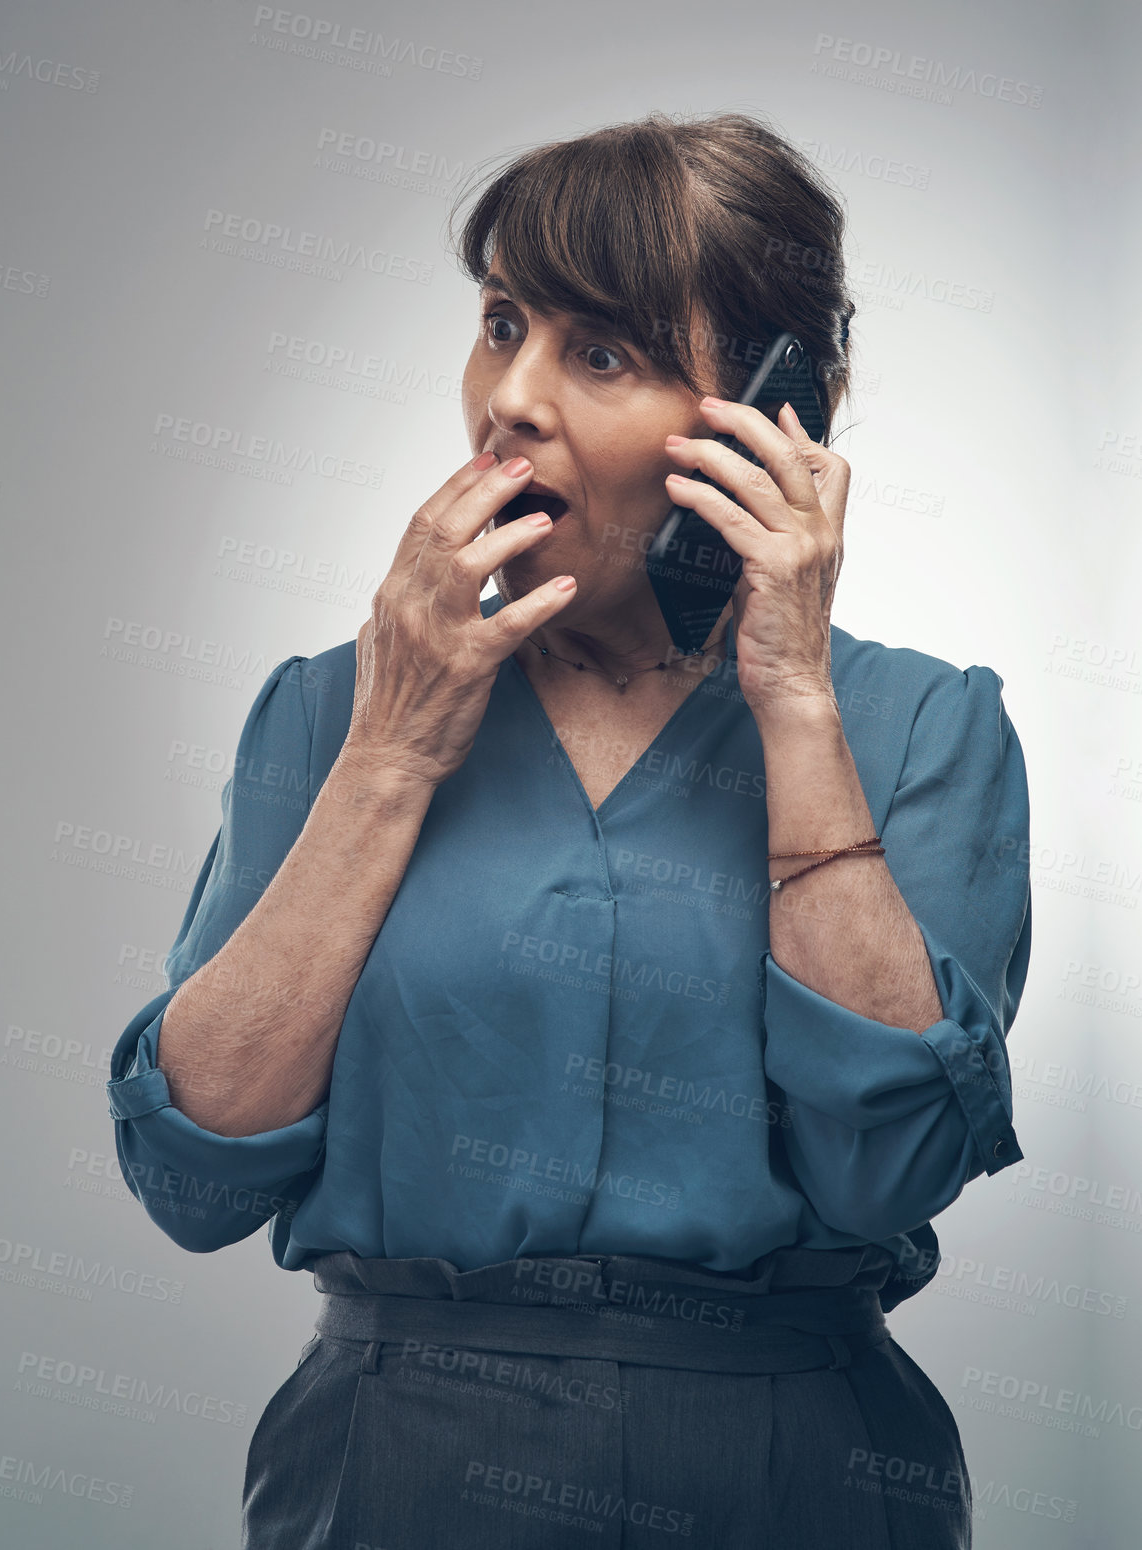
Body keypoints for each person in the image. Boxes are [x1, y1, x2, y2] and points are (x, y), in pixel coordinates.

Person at [106, 111, 1031, 1549]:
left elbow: (890, 1172)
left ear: (776, 413)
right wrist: (390, 756)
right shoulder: (323, 717)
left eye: (598, 352)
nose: (510, 399)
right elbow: (192, 1175)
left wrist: (790, 695)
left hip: (801, 1471)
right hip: (396, 1462)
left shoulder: (921, 729)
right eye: (498, 325)